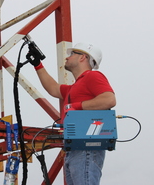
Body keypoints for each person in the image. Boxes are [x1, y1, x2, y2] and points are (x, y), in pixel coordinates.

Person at [26, 42, 116, 185]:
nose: (68, 57)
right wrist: (38, 64)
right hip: (75, 147)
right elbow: (53, 88)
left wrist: (76, 106)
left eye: (73, 53)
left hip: (87, 147)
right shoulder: (75, 87)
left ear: (83, 58)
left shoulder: (92, 77)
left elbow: (109, 99)